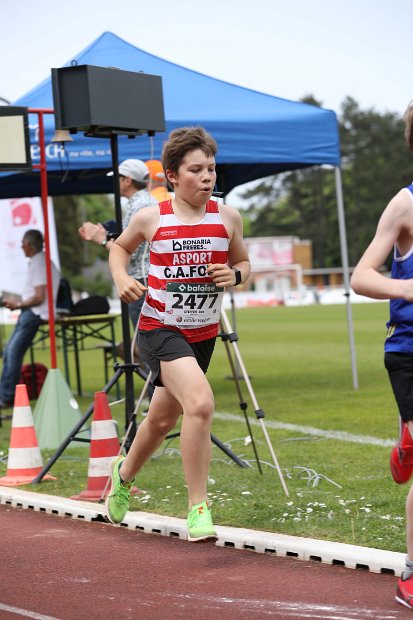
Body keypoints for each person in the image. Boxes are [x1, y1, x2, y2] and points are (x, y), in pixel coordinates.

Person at [106, 126, 250, 541]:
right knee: (201, 404)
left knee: (161, 418)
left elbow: (244, 263)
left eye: (211, 169)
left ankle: (123, 474)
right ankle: (198, 508)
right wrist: (120, 278)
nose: (207, 177)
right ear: (172, 175)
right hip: (157, 329)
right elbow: (119, 247)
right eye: (196, 170)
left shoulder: (227, 216)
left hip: (202, 334)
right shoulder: (152, 217)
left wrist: (234, 274)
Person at [351, 100, 413, 609]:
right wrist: (411, 288)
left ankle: (407, 441)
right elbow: (361, 276)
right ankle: (412, 571)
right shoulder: (404, 205)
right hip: (410, 350)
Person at [78, 159, 158, 328]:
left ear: (127, 180)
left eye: (117, 178)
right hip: (148, 279)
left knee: (145, 345)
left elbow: (130, 251)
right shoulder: (145, 201)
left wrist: (101, 239)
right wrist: (104, 233)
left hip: (141, 281)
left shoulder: (139, 205)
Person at [0, 229, 60, 408]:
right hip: (32, 312)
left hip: (35, 313)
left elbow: (40, 296)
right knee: (10, 352)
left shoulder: (39, 262)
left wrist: (18, 305)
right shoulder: (39, 261)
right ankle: (5, 394)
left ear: (29, 245)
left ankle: (7, 396)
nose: (21, 247)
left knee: (13, 352)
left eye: (22, 244)